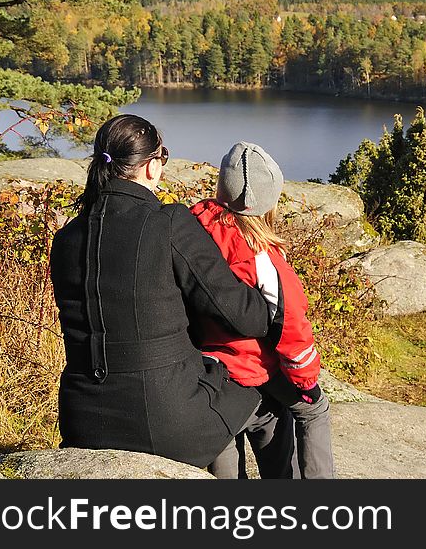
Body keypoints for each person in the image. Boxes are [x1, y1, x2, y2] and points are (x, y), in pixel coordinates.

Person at [50, 114, 293, 473]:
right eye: (163, 156)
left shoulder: (65, 239)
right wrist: (268, 283)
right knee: (268, 404)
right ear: (150, 166)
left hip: (84, 420)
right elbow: (247, 317)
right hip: (164, 422)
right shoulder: (169, 223)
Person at [190, 141, 336, 479]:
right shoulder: (263, 259)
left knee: (224, 435)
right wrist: (307, 382)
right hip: (252, 367)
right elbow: (292, 330)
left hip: (204, 368)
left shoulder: (191, 227)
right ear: (268, 202)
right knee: (313, 410)